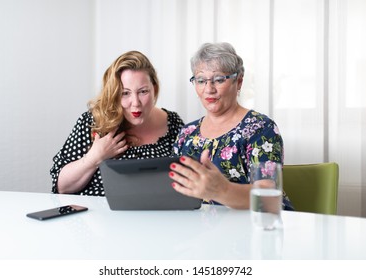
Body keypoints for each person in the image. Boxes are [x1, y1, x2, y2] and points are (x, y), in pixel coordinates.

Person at [169, 42, 294, 210]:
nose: (209, 89)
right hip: (199, 231)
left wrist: (222, 190)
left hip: (256, 227)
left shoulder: (260, 128)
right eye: (200, 80)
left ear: (239, 81)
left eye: (219, 79)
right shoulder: (187, 134)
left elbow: (268, 199)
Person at [50, 50, 184, 196]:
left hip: (157, 216)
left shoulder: (173, 123)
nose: (135, 103)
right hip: (97, 216)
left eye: (143, 91)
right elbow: (61, 187)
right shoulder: (94, 122)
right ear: (114, 94)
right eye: (125, 93)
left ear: (154, 89)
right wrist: (94, 158)